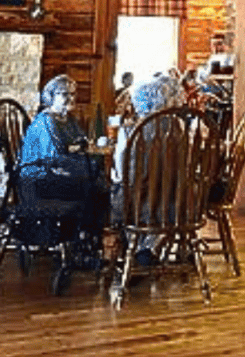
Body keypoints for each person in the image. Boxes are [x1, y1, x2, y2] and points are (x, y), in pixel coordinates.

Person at [18, 74, 107, 240]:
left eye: (73, 94)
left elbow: (81, 144)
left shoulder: (69, 119)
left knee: (99, 182)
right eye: (65, 94)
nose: (71, 98)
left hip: (57, 171)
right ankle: (81, 238)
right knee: (93, 186)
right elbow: (54, 157)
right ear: (51, 97)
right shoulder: (46, 121)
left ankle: (88, 239)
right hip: (38, 179)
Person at [110, 73, 184, 267]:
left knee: (118, 191)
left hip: (140, 205)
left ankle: (133, 252)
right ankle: (148, 249)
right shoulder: (177, 125)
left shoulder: (133, 131)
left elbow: (123, 172)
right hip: (176, 203)